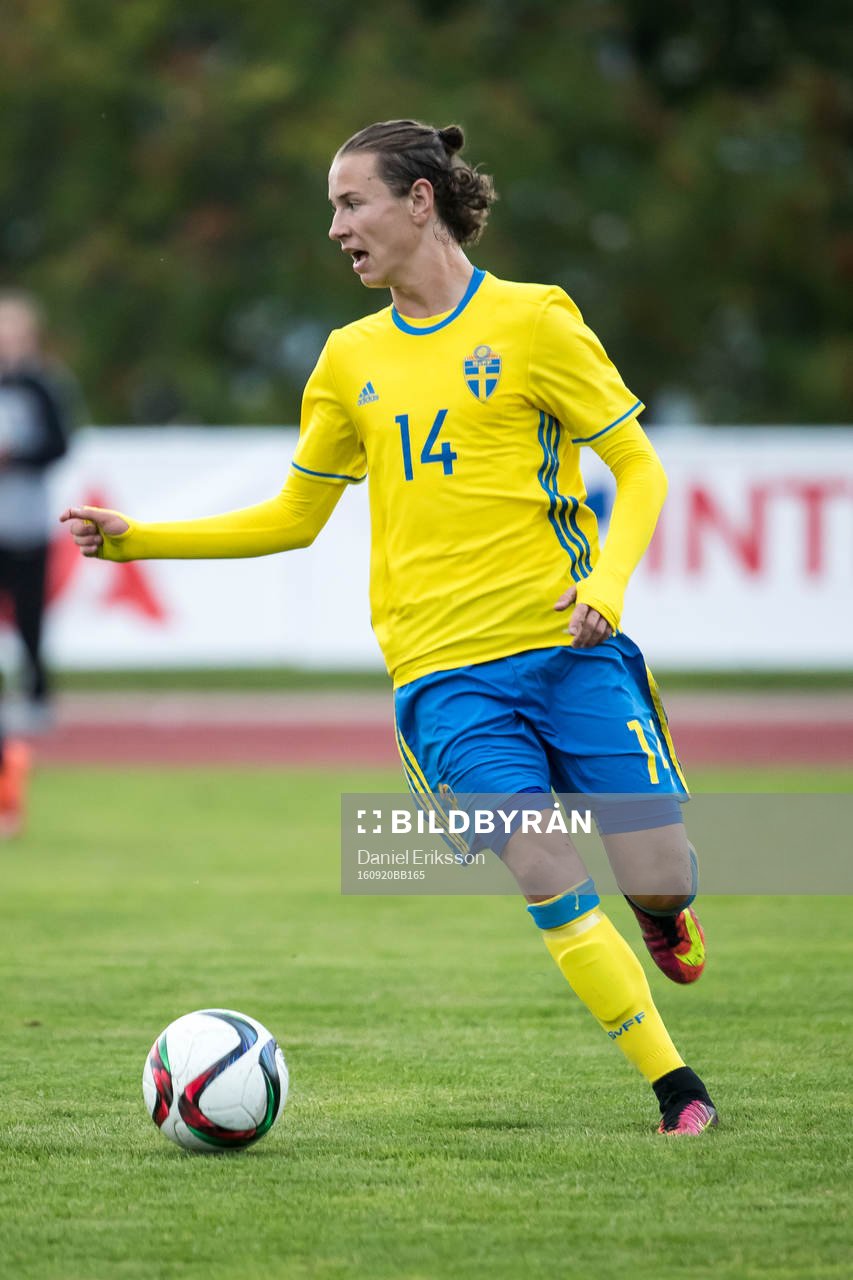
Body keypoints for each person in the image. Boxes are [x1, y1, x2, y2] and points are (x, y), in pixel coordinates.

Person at [61, 120, 716, 1136]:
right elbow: (293, 516)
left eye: (351, 202)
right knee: (541, 861)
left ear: (419, 201)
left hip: (570, 646)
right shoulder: (346, 359)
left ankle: (663, 912)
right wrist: (142, 537)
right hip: (442, 674)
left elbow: (639, 467)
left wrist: (611, 583)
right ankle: (678, 1089)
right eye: (331, 207)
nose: (335, 227)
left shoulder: (535, 320)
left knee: (661, 869)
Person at [0, 290, 72, 726]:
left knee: (29, 613)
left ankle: (35, 694)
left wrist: (16, 457)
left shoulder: (43, 385)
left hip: (25, 518)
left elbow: (59, 443)